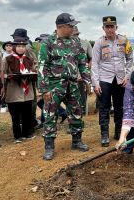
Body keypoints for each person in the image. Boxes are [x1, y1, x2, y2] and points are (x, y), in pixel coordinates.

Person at [38, 13, 90, 160]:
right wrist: (44, 89)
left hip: (73, 84)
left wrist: (87, 81)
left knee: (76, 111)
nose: (73, 28)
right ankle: (49, 147)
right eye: (71, 25)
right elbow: (42, 67)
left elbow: (82, 63)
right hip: (54, 85)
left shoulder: (75, 42)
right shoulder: (47, 43)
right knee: (50, 115)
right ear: (61, 27)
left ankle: (77, 141)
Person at [91, 16, 133, 147]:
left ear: (116, 27)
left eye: (112, 26)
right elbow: (94, 64)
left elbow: (130, 59)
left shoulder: (124, 40)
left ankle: (118, 132)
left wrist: (128, 75)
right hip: (105, 79)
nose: (110, 29)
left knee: (120, 107)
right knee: (104, 108)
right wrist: (95, 83)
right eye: (107, 27)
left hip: (121, 79)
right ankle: (104, 135)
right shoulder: (98, 43)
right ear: (103, 28)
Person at [2, 38, 36, 143]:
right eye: (19, 46)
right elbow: (2, 74)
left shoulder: (29, 59)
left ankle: (27, 133)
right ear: (14, 47)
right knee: (15, 115)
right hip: (14, 91)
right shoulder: (8, 59)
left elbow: (34, 71)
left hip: (27, 91)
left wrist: (33, 74)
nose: (21, 49)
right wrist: (10, 76)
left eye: (23, 46)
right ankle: (17, 136)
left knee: (27, 113)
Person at [73, 26, 92, 116]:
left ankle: (83, 109)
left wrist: (87, 70)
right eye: (73, 34)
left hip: (82, 72)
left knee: (82, 92)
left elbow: (91, 58)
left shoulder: (85, 43)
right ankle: (74, 110)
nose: (75, 36)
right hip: (70, 73)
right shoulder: (66, 44)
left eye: (76, 34)